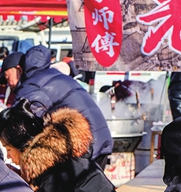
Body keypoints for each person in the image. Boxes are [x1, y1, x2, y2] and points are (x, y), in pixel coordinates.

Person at [8, 45, 113, 173]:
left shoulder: (30, 86)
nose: (7, 83)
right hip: (100, 138)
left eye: (7, 77)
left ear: (18, 69)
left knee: (74, 190)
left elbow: (23, 123)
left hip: (83, 145)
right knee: (91, 189)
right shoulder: (56, 75)